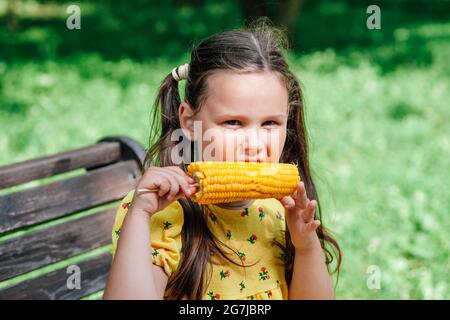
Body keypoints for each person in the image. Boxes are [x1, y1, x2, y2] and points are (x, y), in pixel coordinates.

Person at [103, 19, 341, 300]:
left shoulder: (279, 211)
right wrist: (140, 216)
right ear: (189, 121)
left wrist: (305, 247)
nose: (254, 144)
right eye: (233, 122)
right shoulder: (163, 212)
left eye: (269, 124)